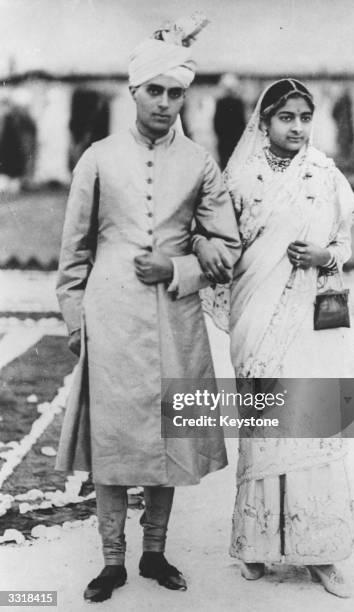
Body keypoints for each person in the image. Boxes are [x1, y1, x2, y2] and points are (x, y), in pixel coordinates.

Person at [55, 15, 241, 603]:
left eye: (175, 92)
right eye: (154, 91)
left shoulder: (202, 163)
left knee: (171, 436)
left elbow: (227, 247)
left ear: (187, 95)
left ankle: (155, 552)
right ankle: (112, 561)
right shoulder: (98, 158)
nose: (165, 103)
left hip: (174, 318)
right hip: (109, 316)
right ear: (133, 91)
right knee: (112, 439)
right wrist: (74, 318)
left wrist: (179, 267)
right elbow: (72, 254)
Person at [203, 79, 354, 598]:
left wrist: (325, 257)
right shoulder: (241, 178)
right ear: (264, 122)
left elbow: (343, 243)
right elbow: (225, 249)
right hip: (258, 317)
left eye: (304, 118)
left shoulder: (325, 172)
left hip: (309, 318)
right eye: (286, 118)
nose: (296, 128)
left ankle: (321, 552)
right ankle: (258, 543)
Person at [213, 73, 246, 169]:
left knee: (224, 163)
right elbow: (242, 123)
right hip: (235, 139)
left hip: (223, 139)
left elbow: (216, 122)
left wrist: (219, 135)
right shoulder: (238, 102)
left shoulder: (220, 102)